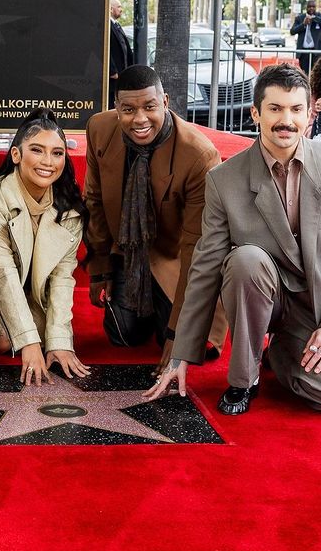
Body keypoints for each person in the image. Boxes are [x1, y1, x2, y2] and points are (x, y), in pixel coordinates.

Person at [145, 63, 321, 416]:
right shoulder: (224, 179)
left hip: (319, 306)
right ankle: (245, 378)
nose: (286, 120)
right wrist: (182, 352)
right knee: (245, 260)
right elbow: (206, 265)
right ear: (256, 113)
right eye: (275, 108)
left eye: (296, 109)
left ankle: (279, 351)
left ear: (309, 113)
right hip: (256, 294)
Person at [84, 64, 228, 372]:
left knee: (175, 338)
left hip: (175, 258)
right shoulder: (99, 128)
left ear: (165, 101)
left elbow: (197, 246)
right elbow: (94, 202)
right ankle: (143, 308)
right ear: (116, 108)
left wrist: (179, 333)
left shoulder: (198, 154)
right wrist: (99, 268)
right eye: (128, 109)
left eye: (149, 106)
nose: (139, 119)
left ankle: (167, 316)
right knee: (124, 335)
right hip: (129, 251)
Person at [0, 109, 90, 385]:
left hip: (31, 294)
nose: (48, 162)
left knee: (49, 336)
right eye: (37, 150)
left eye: (57, 153)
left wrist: (60, 341)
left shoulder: (69, 210)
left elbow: (62, 278)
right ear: (16, 155)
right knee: (0, 341)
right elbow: (1, 273)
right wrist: (29, 343)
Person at [290, 0, 321, 75]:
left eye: (313, 7)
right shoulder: (300, 18)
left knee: (317, 74)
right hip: (304, 52)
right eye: (309, 6)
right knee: (305, 74)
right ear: (306, 8)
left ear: (316, 7)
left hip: (317, 51)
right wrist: (303, 24)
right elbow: (292, 31)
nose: (311, 8)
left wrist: (314, 18)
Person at [108, 0, 133, 107]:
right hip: (114, 77)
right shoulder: (107, 25)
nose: (121, 9)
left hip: (122, 74)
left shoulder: (117, 25)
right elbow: (106, 48)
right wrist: (112, 71)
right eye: (118, 7)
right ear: (110, 9)